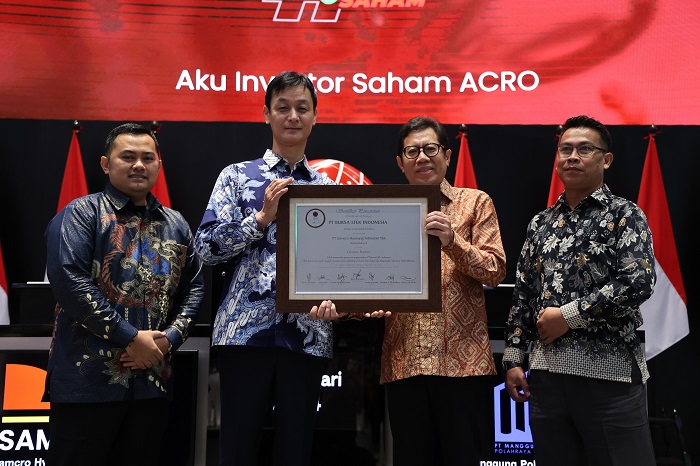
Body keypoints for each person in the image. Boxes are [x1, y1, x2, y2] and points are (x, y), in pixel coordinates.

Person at [194, 71, 350, 466]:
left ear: (315, 117)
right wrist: (260, 219)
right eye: (283, 108)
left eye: (302, 108)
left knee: (295, 452)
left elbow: (345, 264)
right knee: (237, 450)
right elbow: (206, 249)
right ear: (266, 114)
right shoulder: (235, 176)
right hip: (242, 336)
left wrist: (343, 304)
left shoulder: (330, 189)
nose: (292, 116)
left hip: (308, 334)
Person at [44, 123, 204, 466]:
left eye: (147, 158)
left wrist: (169, 340)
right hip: (87, 384)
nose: (139, 165)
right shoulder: (81, 214)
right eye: (128, 157)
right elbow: (70, 283)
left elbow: (195, 288)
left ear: (158, 164)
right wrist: (130, 337)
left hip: (152, 382)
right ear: (106, 164)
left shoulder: (176, 224)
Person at [503, 115, 657, 466]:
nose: (572, 156)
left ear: (606, 159)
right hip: (547, 380)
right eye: (565, 149)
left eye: (584, 149)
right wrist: (513, 358)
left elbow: (637, 282)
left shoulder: (624, 215)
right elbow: (524, 292)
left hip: (610, 378)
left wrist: (568, 317)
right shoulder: (540, 222)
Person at [381, 115, 507, 465]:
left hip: (462, 367)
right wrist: (351, 306)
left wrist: (453, 241)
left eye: (430, 149)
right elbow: (370, 280)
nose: (422, 157)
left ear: (447, 156)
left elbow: (495, 271)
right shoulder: (384, 211)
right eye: (412, 151)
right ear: (400, 162)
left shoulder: (476, 202)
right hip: (405, 363)